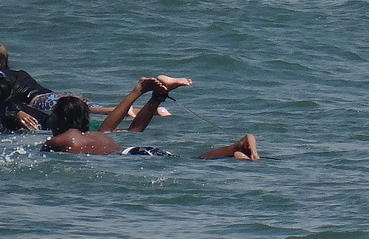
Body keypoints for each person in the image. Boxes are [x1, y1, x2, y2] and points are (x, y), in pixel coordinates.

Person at [43, 77, 258, 160]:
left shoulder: (64, 139)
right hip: (138, 152)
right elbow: (113, 130)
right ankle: (236, 148)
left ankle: (236, 149)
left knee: (192, 162)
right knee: (191, 161)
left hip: (136, 158)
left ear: (62, 118)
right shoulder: (97, 138)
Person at [0, 43, 166, 131]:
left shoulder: (5, 77)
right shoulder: (17, 73)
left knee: (100, 114)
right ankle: (154, 104)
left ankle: (142, 100)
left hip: (42, 100)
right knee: (93, 110)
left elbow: (5, 101)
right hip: (54, 95)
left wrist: (15, 111)